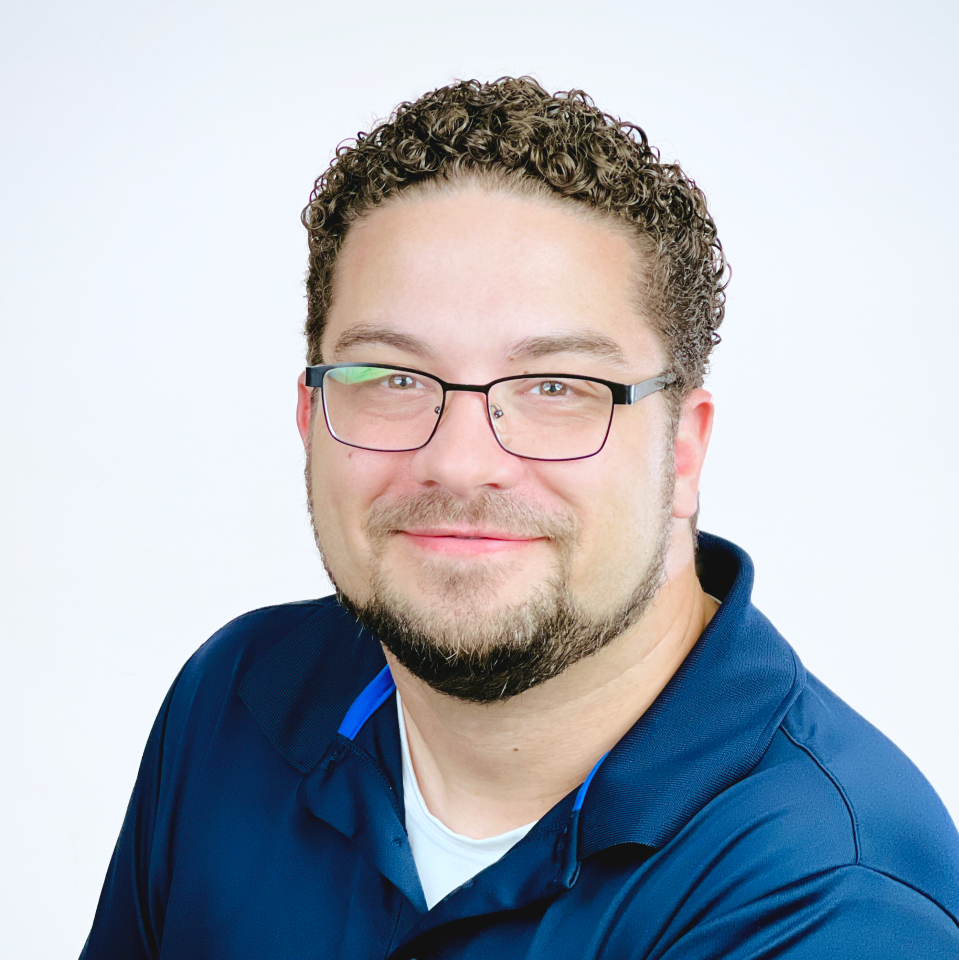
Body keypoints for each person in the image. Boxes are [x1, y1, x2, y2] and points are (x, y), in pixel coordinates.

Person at [81, 77, 959, 958]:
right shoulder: (238, 696)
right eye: (391, 376)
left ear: (681, 450)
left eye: (555, 387)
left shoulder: (832, 902)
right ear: (310, 420)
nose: (460, 461)